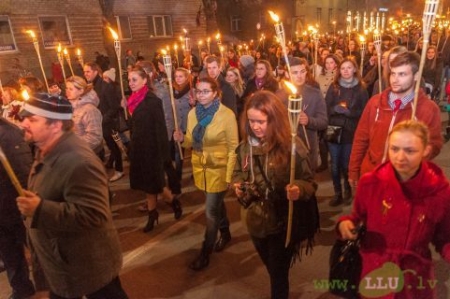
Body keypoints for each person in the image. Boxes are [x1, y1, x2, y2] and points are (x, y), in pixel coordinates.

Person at [17, 93, 128, 299]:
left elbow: (93, 214)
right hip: (63, 263)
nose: (23, 124)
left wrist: (39, 209)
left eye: (32, 120)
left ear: (56, 125)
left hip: (86, 263)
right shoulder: (46, 150)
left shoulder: (79, 161)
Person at [338, 120, 450, 299]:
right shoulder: (371, 183)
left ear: (426, 150)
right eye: (394, 148)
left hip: (414, 280)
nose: (400, 157)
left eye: (410, 150)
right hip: (376, 273)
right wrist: (345, 224)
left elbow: (444, 238)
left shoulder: (439, 191)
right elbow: (356, 217)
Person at [232, 90, 317, 299]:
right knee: (273, 269)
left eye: (261, 121)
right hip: (255, 221)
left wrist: (298, 188)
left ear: (274, 119)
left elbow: (309, 182)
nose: (255, 126)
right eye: (251, 121)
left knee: (278, 275)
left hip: (282, 223)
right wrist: (237, 186)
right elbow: (237, 173)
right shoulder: (245, 148)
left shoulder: (292, 146)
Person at [348, 51, 443, 188]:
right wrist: (354, 170)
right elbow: (361, 138)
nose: (395, 79)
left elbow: (435, 144)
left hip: (403, 183)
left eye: (402, 74)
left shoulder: (428, 109)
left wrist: (422, 151)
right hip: (371, 176)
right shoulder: (375, 103)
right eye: (393, 73)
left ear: (416, 76)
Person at [173, 77, 239, 271]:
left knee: (210, 213)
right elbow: (191, 142)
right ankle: (226, 232)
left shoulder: (226, 115)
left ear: (215, 93)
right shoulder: (193, 114)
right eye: (198, 91)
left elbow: (233, 147)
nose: (201, 95)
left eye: (205, 91)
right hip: (200, 169)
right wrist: (181, 138)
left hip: (219, 170)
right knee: (216, 205)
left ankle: (205, 253)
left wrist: (229, 176)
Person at [127, 66, 181, 231]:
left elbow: (160, 128)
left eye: (134, 80)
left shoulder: (152, 101)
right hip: (139, 148)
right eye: (129, 80)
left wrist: (164, 154)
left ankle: (168, 205)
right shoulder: (132, 100)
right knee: (147, 184)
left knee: (154, 184)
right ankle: (155, 213)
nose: (131, 83)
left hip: (152, 149)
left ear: (144, 80)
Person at [325, 58, 369, 206]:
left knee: (346, 164)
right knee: (335, 165)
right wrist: (334, 109)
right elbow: (326, 107)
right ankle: (337, 192)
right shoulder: (334, 87)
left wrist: (350, 112)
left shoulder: (361, 89)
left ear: (354, 69)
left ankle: (347, 190)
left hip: (350, 130)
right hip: (334, 129)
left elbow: (364, 111)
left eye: (349, 68)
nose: (345, 71)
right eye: (343, 68)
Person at [0, 117, 36, 299]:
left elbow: (23, 173)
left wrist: (26, 205)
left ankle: (52, 286)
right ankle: (21, 288)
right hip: (2, 208)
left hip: (15, 206)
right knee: (9, 252)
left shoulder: (8, 134)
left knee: (35, 249)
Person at [276, 57, 328, 173]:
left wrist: (309, 121)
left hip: (308, 148)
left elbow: (323, 122)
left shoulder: (315, 93)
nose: (299, 76)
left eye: (302, 72)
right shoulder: (279, 96)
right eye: (295, 73)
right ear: (287, 74)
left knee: (307, 185)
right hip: (286, 148)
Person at [83, 62, 123, 181]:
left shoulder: (106, 86)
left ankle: (119, 170)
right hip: (96, 122)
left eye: (88, 71)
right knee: (104, 146)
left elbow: (114, 107)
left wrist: (103, 118)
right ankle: (109, 163)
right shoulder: (91, 86)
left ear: (96, 72)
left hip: (106, 122)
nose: (85, 74)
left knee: (113, 146)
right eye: (84, 72)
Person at [65, 76, 104, 157]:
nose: (67, 91)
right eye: (66, 88)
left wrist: (73, 146)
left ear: (81, 90)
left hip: (88, 154)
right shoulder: (73, 107)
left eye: (71, 89)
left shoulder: (89, 110)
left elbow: (94, 137)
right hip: (78, 153)